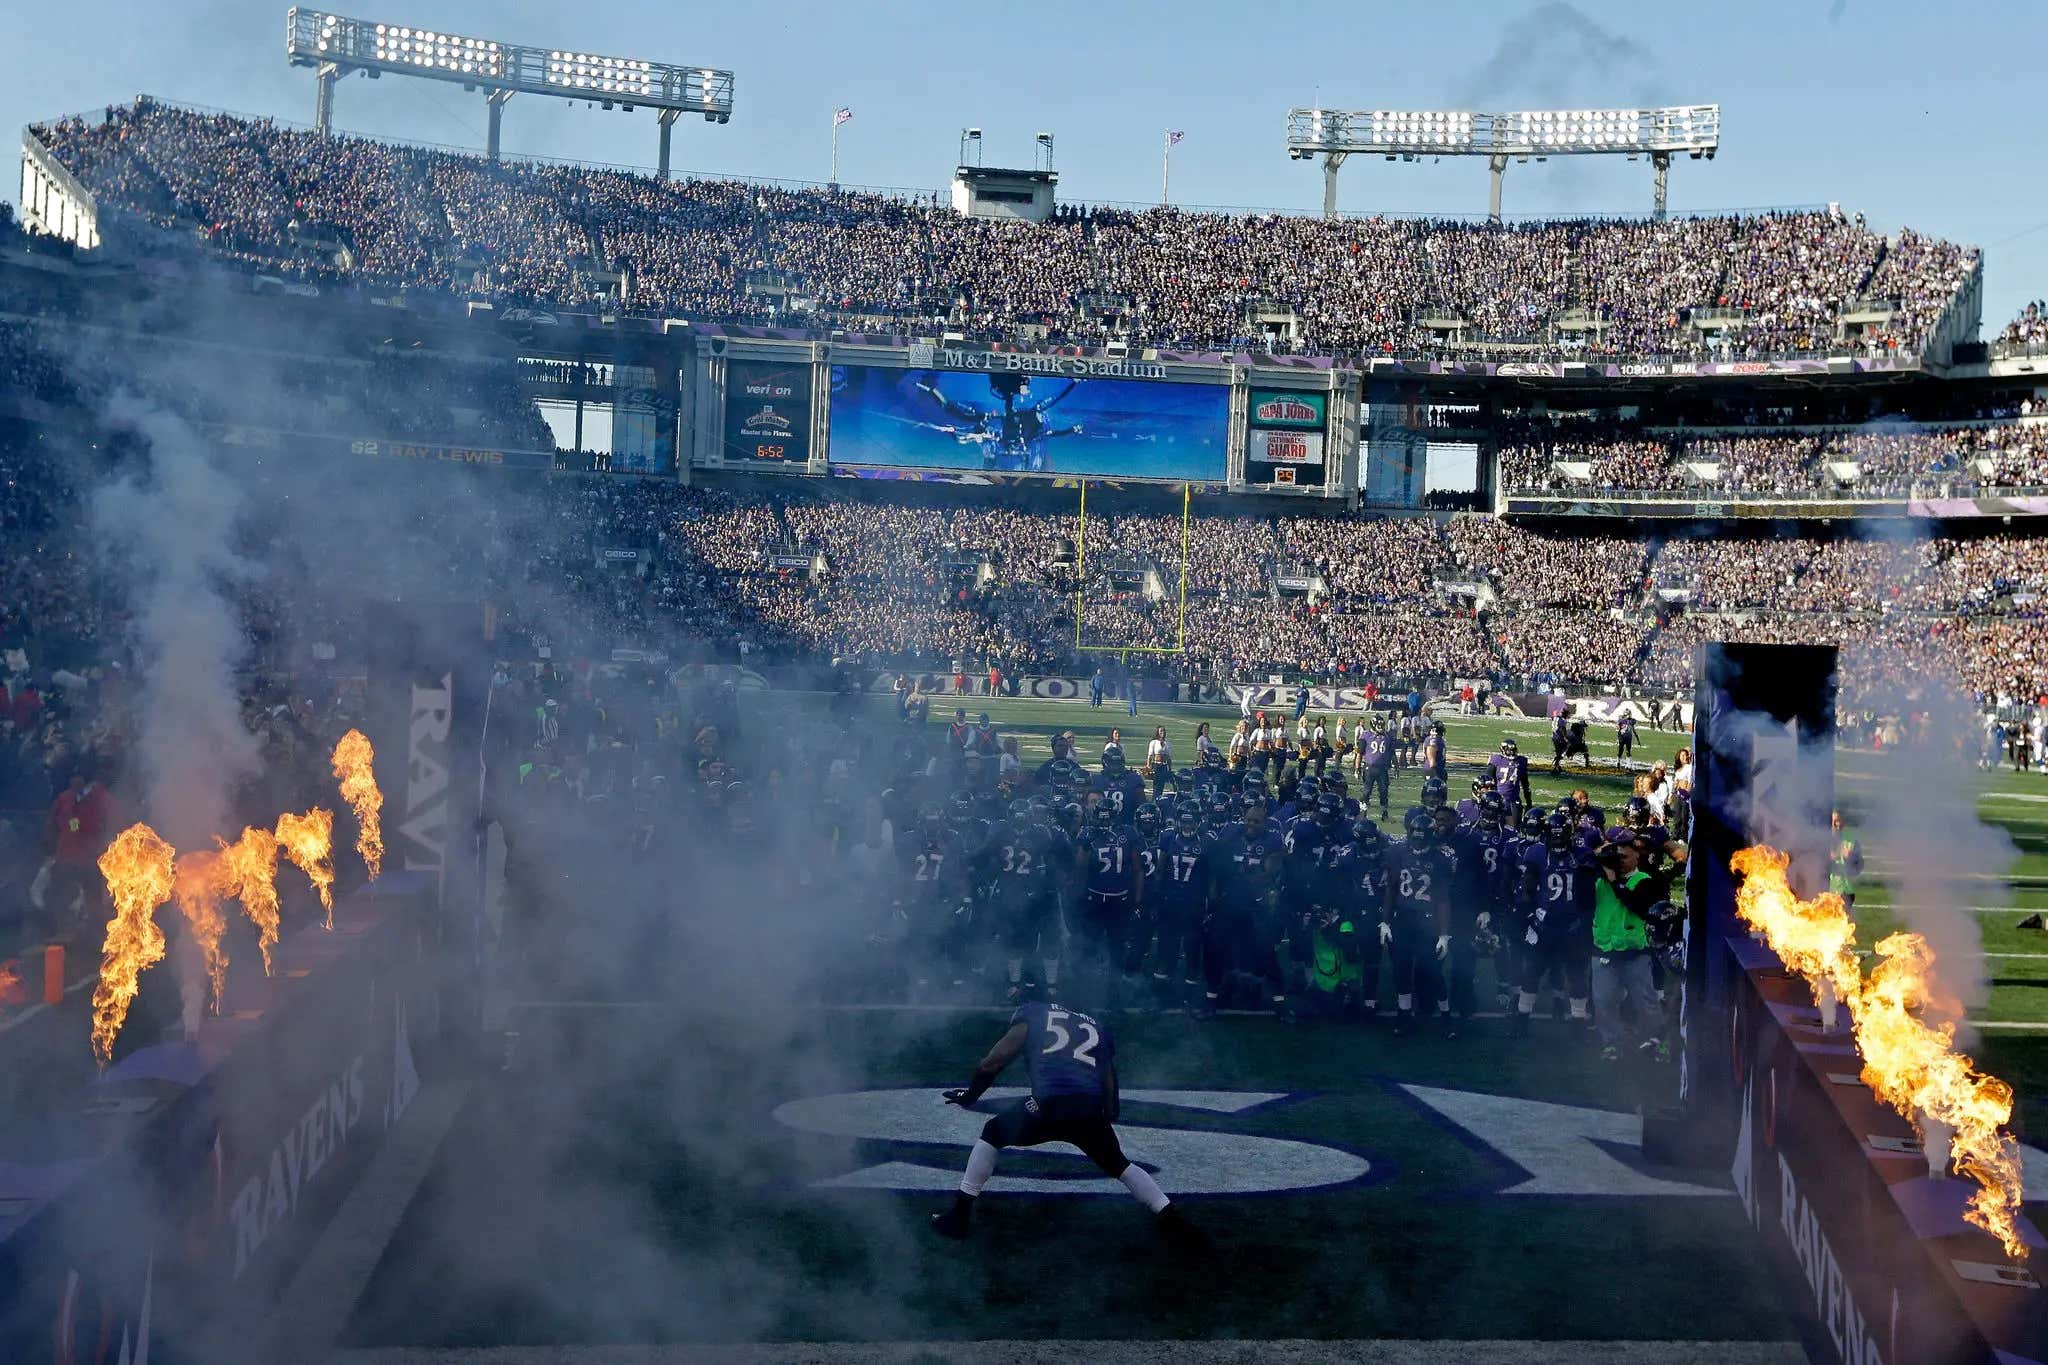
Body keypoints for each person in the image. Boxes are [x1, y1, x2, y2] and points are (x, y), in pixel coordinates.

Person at [930, 1000, 1203, 1246]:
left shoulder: (1034, 1013)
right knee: (1119, 1163)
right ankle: (1172, 1218)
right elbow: (1108, 1077)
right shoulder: (1094, 1025)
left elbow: (992, 1063)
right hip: (1087, 1108)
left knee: (993, 1132)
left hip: (1047, 1105)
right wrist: (1107, 1114)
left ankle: (959, 1216)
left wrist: (971, 1095)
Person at [1829, 809, 1863, 911]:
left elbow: (1859, 867)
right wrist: (1832, 856)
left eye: (1839, 820)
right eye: (1834, 821)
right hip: (1826, 892)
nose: (1837, 824)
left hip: (1846, 892)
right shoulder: (1821, 840)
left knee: (1842, 925)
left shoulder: (1852, 841)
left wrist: (1851, 857)